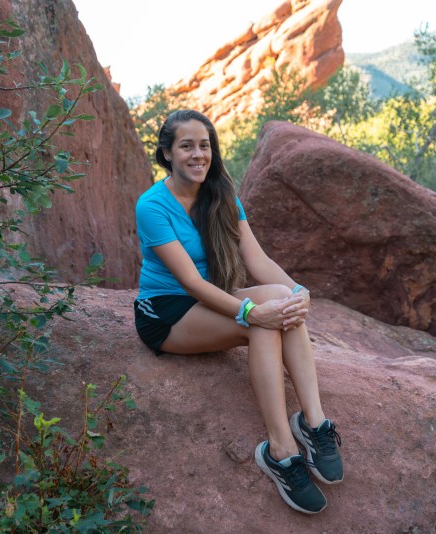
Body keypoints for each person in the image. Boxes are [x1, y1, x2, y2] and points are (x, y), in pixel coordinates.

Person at [133, 109, 343, 514]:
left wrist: (299, 291)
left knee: (281, 299)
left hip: (214, 297)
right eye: (187, 146)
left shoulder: (221, 194)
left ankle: (313, 424)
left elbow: (257, 260)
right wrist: (249, 312)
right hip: (167, 311)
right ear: (166, 153)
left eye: (205, 145)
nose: (198, 155)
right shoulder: (152, 205)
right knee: (262, 324)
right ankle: (281, 452)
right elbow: (191, 284)